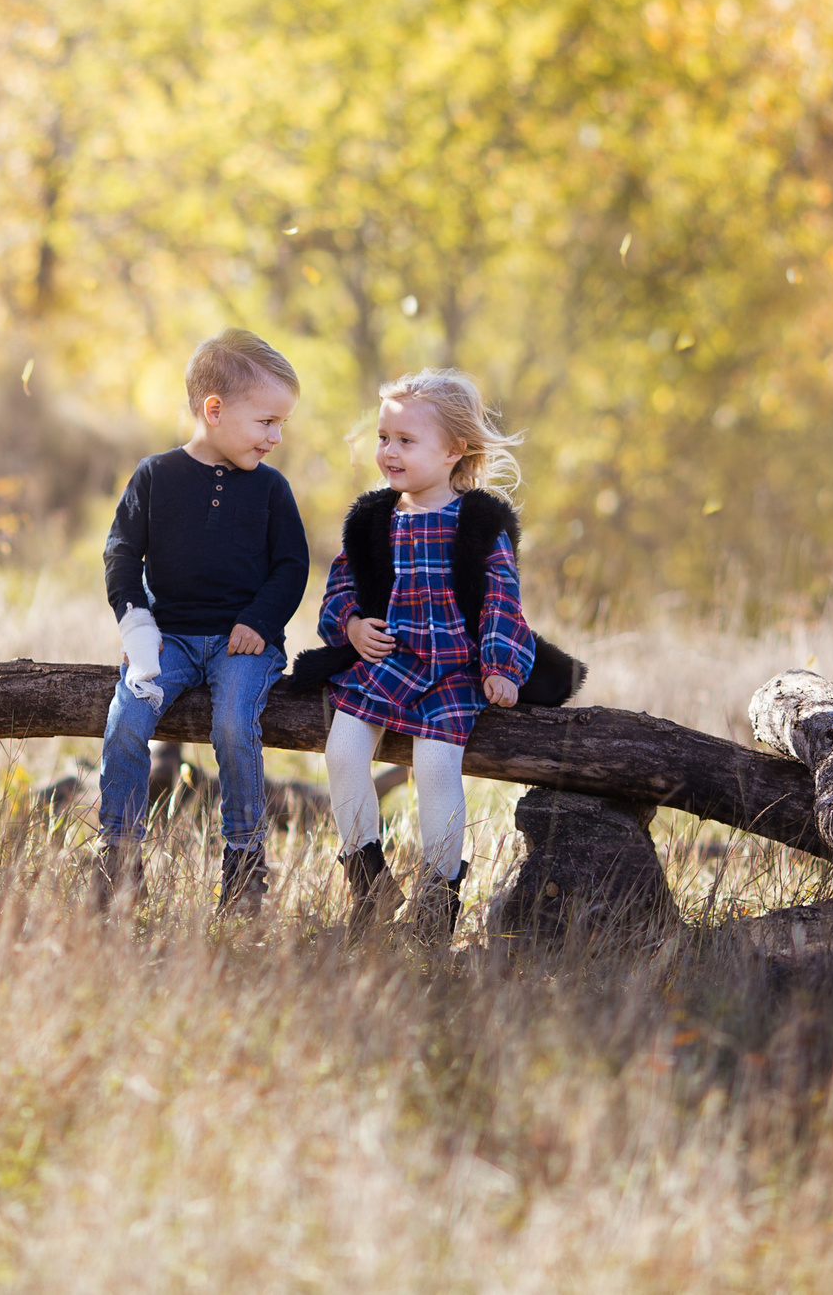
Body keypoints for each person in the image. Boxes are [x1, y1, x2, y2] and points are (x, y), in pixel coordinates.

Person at [314, 368, 574, 944]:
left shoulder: (476, 522)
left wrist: (501, 667)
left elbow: (503, 598)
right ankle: (369, 879)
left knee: (435, 768)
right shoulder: (374, 520)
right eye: (384, 437)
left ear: (454, 450)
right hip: (389, 662)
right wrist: (352, 627)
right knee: (343, 750)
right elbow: (342, 586)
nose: (389, 451)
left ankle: (438, 896)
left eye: (406, 441)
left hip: (454, 669)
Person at [98, 328, 310, 915]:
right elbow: (121, 553)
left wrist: (260, 622)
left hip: (243, 644)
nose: (276, 437)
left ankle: (244, 865)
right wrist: (138, 629)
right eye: (267, 422)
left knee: (235, 728)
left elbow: (292, 566)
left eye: (282, 425)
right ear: (214, 411)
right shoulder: (155, 476)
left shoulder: (270, 490)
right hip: (167, 638)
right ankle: (118, 859)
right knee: (125, 722)